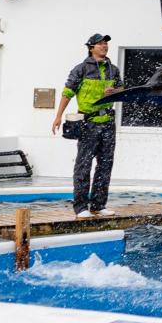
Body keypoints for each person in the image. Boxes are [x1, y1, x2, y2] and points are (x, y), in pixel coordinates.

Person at [51, 32, 123, 219]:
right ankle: (81, 207)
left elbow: (122, 90)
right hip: (88, 123)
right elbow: (67, 93)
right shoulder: (81, 69)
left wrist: (113, 91)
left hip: (108, 122)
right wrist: (58, 116)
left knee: (105, 164)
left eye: (106, 43)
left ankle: (99, 204)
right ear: (91, 47)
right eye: (100, 44)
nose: (104, 46)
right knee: (83, 165)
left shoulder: (113, 70)